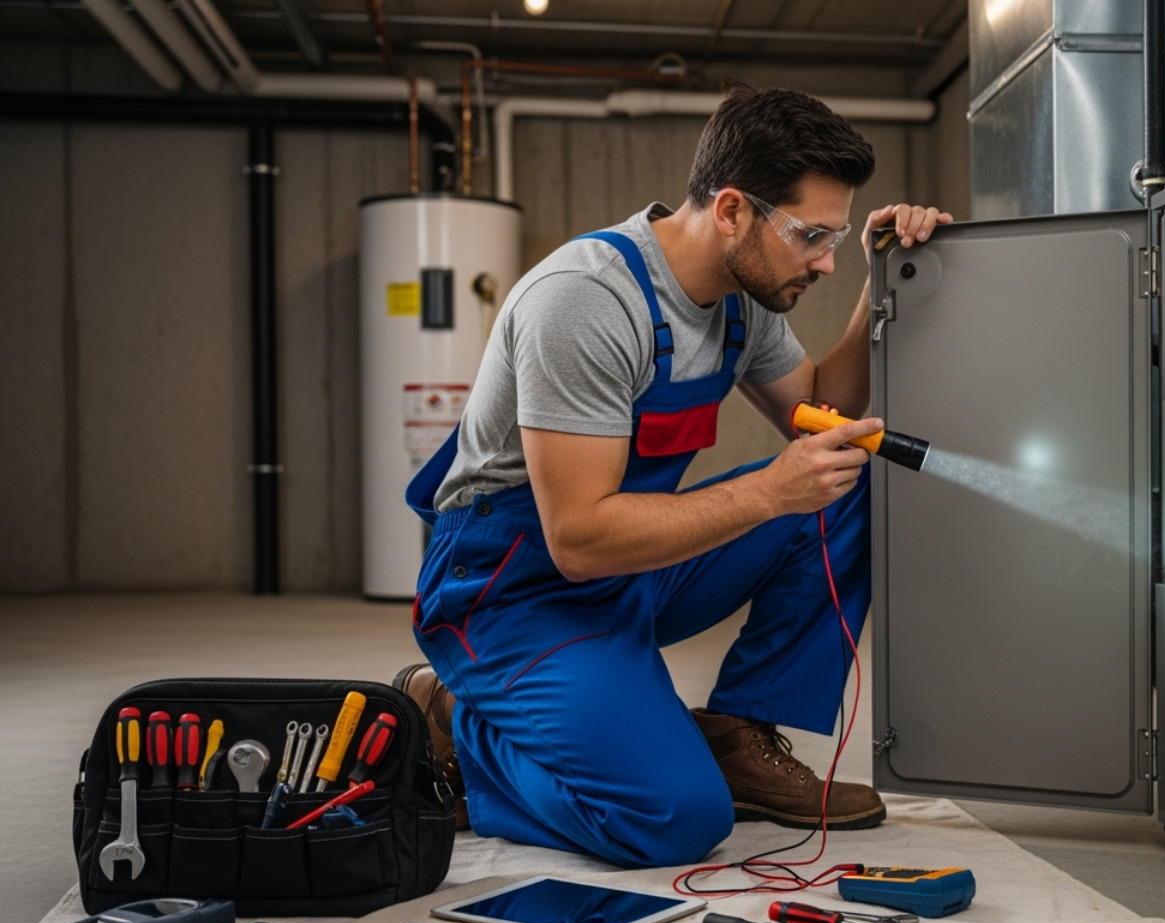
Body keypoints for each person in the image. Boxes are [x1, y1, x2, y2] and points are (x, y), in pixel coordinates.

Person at [397, 83, 952, 869]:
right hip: (516, 588)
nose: (823, 261)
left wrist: (879, 280)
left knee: (842, 480)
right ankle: (458, 719)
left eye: (834, 237)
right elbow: (581, 540)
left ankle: (737, 735)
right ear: (731, 211)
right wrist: (764, 492)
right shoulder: (585, 302)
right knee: (671, 818)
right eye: (810, 236)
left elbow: (823, 409)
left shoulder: (741, 297)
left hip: (633, 567)